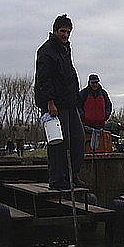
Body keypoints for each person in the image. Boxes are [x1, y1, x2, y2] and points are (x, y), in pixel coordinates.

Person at [34, 14, 87, 190]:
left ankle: (73, 175)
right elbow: (44, 78)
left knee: (77, 140)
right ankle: (57, 179)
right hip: (55, 106)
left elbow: (68, 75)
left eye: (68, 32)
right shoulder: (46, 51)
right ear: (55, 30)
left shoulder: (65, 49)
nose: (65, 35)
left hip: (70, 103)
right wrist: (50, 102)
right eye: (62, 31)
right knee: (58, 144)